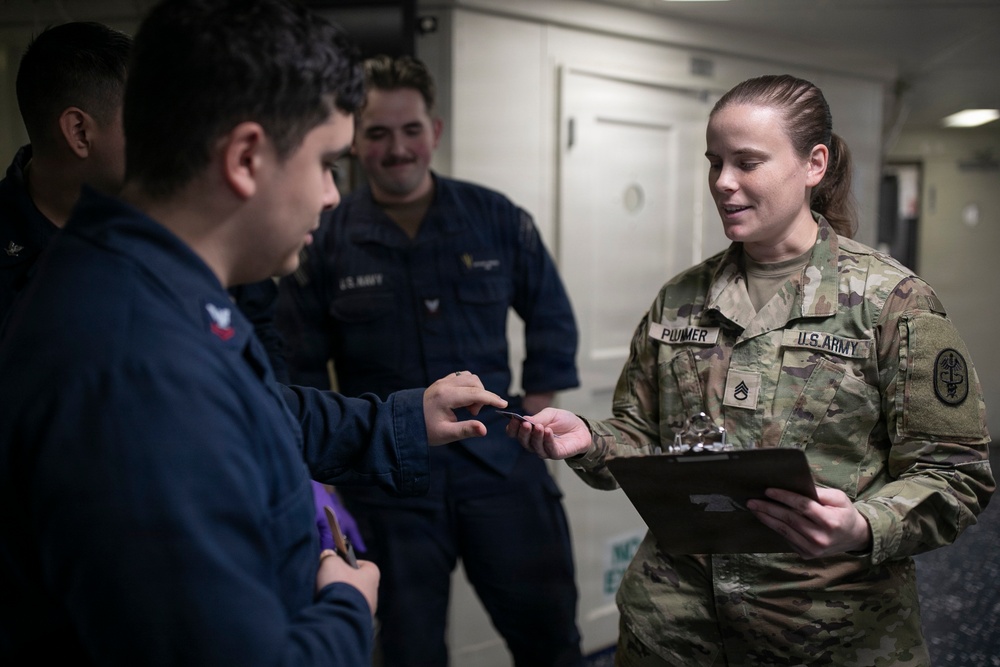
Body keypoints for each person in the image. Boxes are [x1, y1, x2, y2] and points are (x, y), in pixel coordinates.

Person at [0, 1, 507, 664]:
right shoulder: (135, 368)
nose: (333, 195)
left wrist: (404, 416)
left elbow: (252, 404)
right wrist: (348, 610)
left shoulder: (154, 280)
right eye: (327, 163)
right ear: (244, 157)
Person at [507, 74, 995, 666]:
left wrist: (865, 525)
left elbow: (955, 475)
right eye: (714, 162)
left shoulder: (892, 303)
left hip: (827, 637)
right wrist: (590, 439)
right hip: (674, 632)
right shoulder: (681, 299)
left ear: (814, 164)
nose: (723, 183)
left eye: (747, 162)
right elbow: (644, 436)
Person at [277, 55, 584, 666]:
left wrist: (537, 406)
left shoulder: (495, 218)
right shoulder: (326, 234)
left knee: (549, 639)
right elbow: (300, 362)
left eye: (410, 130)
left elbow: (551, 314)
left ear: (434, 132)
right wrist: (329, 475)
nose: (397, 149)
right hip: (391, 480)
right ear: (356, 139)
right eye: (378, 133)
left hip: (499, 469)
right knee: (409, 652)